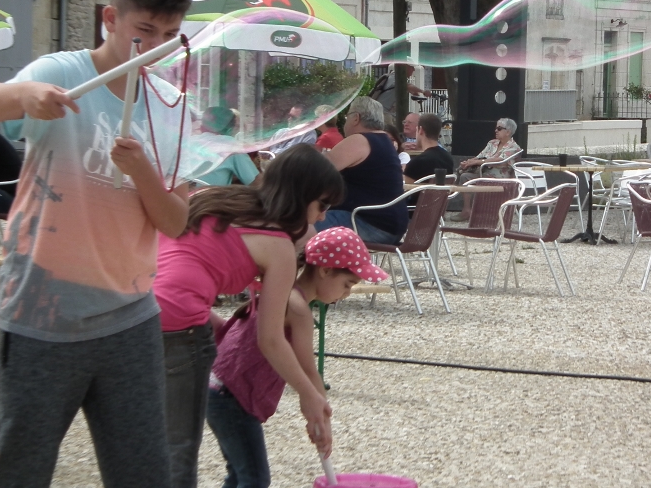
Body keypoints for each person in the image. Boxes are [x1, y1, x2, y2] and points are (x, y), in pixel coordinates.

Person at [0, 0, 193, 488]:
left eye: (169, 35)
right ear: (110, 19)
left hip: (130, 317)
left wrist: (141, 169)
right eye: (145, 32)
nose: (156, 46)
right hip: (41, 313)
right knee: (21, 470)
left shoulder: (173, 108)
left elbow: (177, 223)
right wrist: (23, 96)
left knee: (143, 474)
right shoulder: (63, 73)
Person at [154, 144, 343, 487]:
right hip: (180, 327)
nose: (322, 217)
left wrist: (212, 323)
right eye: (322, 205)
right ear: (301, 196)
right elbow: (270, 339)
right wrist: (308, 393)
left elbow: (173, 269)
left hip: (136, 311)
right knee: (179, 456)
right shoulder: (278, 246)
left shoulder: (215, 198)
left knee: (152, 448)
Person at [206, 227, 387, 488]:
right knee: (254, 478)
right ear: (325, 270)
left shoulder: (279, 292)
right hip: (232, 397)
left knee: (239, 474)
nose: (346, 293)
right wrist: (322, 420)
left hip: (217, 389)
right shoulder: (298, 309)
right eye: (347, 284)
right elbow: (309, 372)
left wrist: (319, 416)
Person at [318, 97, 407, 245]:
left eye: (347, 117)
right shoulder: (384, 141)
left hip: (366, 224)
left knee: (295, 226)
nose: (345, 122)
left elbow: (315, 171)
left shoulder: (359, 140)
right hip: (390, 227)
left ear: (356, 118)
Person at [448, 118, 522, 222]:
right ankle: (467, 210)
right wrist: (468, 162)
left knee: (468, 176)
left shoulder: (514, 147)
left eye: (499, 128)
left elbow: (499, 161)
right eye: (496, 128)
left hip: (500, 179)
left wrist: (477, 162)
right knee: (464, 176)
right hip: (484, 174)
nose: (495, 130)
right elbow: (479, 156)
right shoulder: (492, 143)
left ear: (508, 132)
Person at [193, 106, 259, 187]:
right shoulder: (231, 145)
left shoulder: (189, 142)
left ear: (201, 127)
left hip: (185, 196)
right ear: (231, 129)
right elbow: (256, 183)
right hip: (210, 198)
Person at [404, 114, 455, 182]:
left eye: (417, 130)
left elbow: (407, 190)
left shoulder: (415, 163)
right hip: (444, 192)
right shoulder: (448, 159)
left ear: (421, 130)